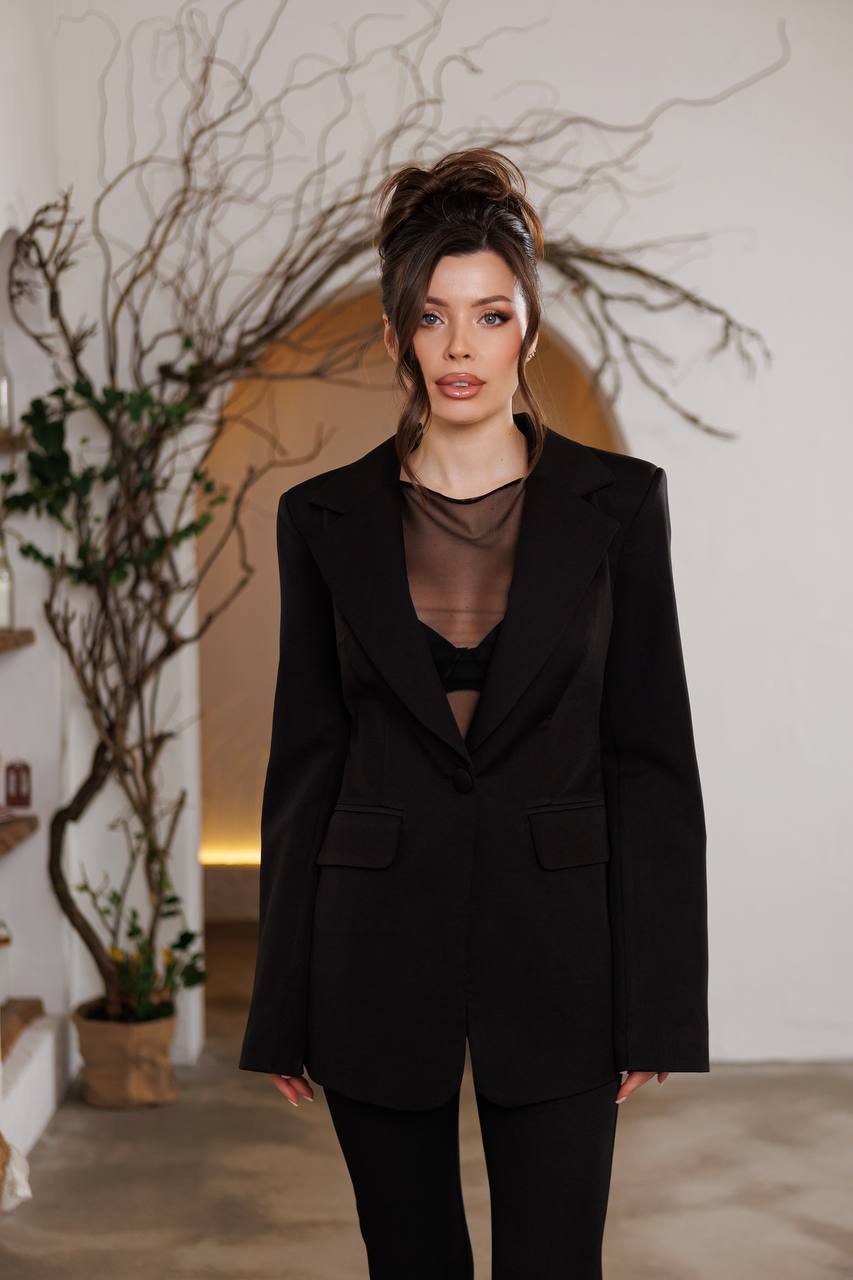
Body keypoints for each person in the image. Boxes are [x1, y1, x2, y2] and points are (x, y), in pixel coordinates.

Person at [239, 147, 709, 1279]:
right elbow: (307, 757)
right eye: (435, 317)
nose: (460, 348)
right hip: (369, 944)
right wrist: (281, 1000)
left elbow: (649, 756)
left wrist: (657, 1000)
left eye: (489, 316)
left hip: (564, 946)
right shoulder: (322, 516)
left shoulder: (620, 503)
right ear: (400, 331)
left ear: (527, 333)